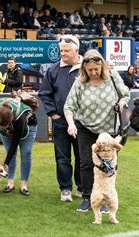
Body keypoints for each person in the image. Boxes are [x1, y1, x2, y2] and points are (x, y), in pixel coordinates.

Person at [64, 49, 129, 212]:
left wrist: (121, 104)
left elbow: (125, 94)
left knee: (108, 164)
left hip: (108, 130)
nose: (93, 73)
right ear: (84, 69)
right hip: (85, 127)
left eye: (96, 69)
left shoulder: (113, 76)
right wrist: (71, 124)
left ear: (102, 66)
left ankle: (107, 199)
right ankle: (87, 197)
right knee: (86, 163)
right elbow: (69, 106)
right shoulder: (79, 82)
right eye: (89, 70)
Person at [39, 35, 83, 202]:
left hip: (83, 122)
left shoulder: (86, 67)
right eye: (61, 50)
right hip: (61, 122)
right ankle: (65, 189)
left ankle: (82, 187)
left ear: (77, 50)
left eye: (66, 51)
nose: (63, 54)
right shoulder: (53, 69)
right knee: (62, 157)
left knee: (83, 157)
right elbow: (44, 93)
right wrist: (53, 114)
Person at [0, 95, 37, 196]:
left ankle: (24, 185)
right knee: (10, 155)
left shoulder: (20, 119)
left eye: (2, 126)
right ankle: (10, 183)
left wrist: (4, 164)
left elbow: (13, 146)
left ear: (10, 122)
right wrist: (2, 127)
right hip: (7, 126)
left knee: (26, 153)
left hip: (28, 126)